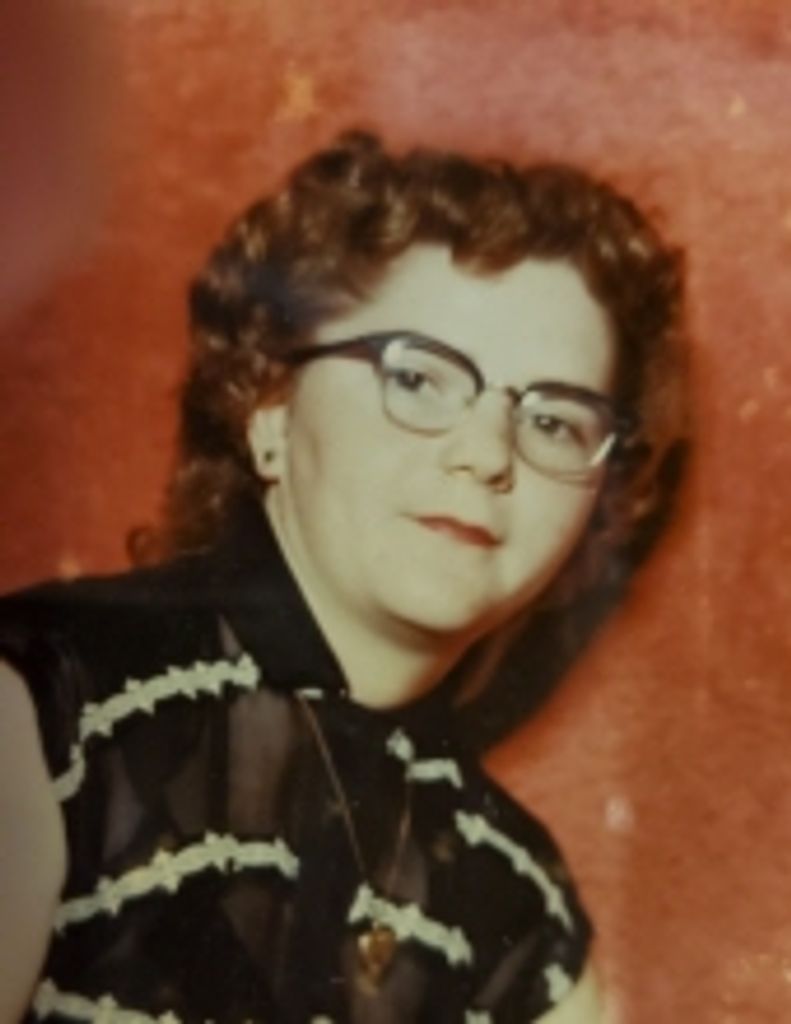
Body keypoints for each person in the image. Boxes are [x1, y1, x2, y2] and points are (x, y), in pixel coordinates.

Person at [0, 130, 687, 1023]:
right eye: (419, 377)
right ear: (268, 407)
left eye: (555, 421)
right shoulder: (49, 709)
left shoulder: (516, 904)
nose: (486, 454)